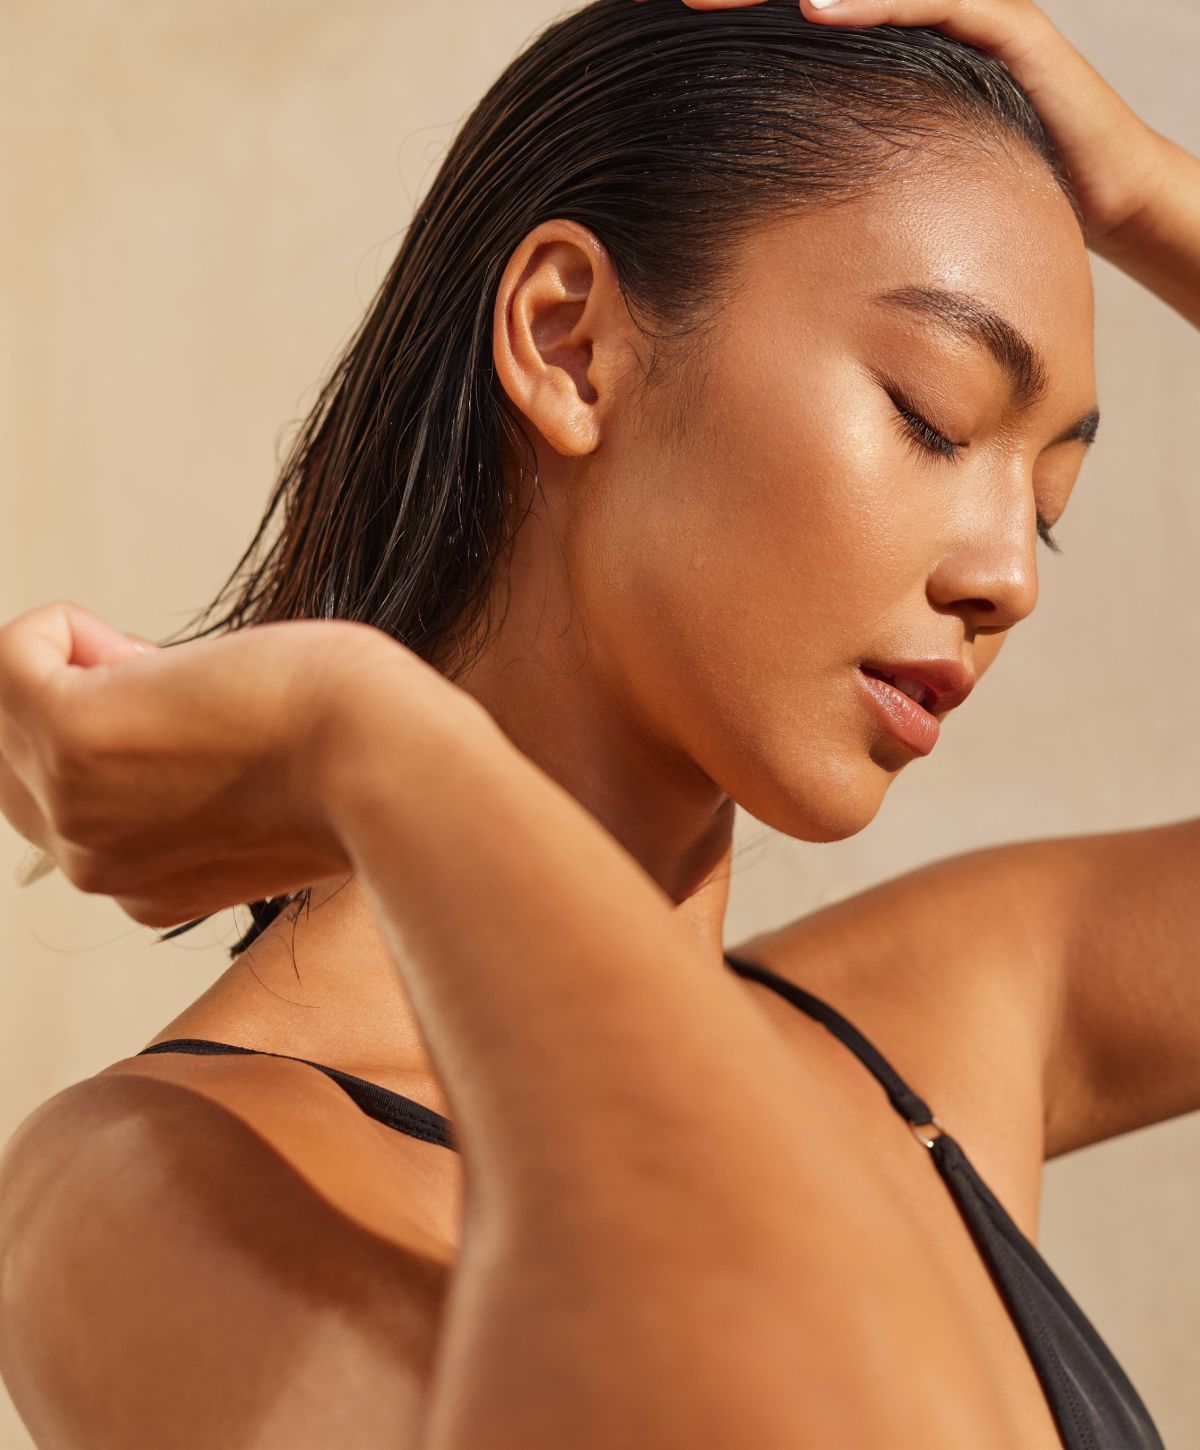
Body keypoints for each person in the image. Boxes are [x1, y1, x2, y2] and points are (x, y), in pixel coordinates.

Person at [0, 0, 1196, 1445]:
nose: (1007, 572)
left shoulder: (951, 1026)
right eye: (933, 416)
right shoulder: (147, 1182)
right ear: (569, 342)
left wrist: (1141, 189)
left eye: (1049, 510)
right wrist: (375, 751)